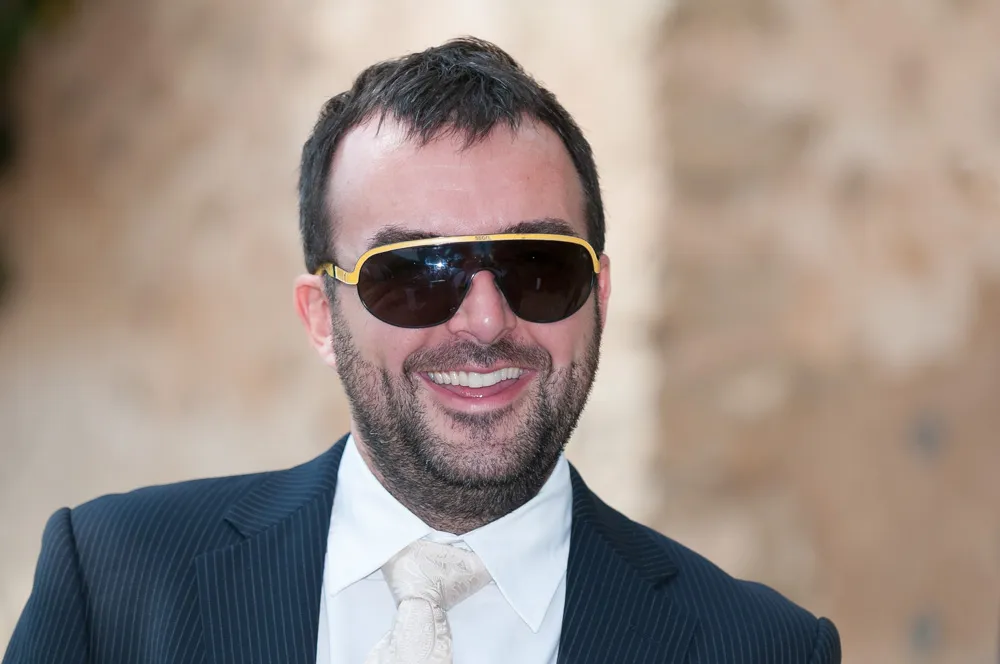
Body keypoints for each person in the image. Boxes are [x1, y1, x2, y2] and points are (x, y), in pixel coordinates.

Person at [3, 38, 841, 664]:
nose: (484, 321)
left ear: (601, 295)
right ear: (321, 316)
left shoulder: (761, 649)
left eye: (538, 267)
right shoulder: (113, 583)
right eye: (413, 274)